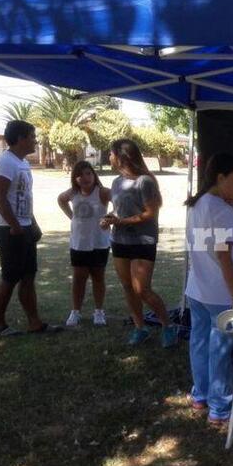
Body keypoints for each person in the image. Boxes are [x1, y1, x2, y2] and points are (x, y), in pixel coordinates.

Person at [184, 152, 233, 425]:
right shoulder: (222, 211)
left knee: (199, 342)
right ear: (220, 177)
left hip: (197, 287)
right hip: (220, 293)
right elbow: (224, 255)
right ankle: (222, 409)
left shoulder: (196, 204)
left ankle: (200, 395)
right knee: (221, 350)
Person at [100, 139, 177, 347]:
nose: (109, 157)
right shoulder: (116, 183)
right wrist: (110, 218)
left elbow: (151, 213)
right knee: (127, 287)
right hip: (120, 240)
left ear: (121, 156)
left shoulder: (145, 181)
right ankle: (140, 328)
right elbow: (119, 210)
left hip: (143, 241)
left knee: (141, 289)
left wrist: (121, 221)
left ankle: (168, 326)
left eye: (111, 153)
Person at [0, 120, 61, 336]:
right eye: (32, 136)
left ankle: (35, 323)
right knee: (10, 277)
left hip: (24, 227)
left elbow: (23, 198)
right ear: (21, 139)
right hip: (8, 229)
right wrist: (15, 226)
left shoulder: (23, 163)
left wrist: (32, 224)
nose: (35, 141)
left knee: (29, 275)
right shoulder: (5, 162)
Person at [58, 161, 111, 327]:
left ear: (94, 175)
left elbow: (122, 202)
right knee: (78, 278)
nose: (85, 178)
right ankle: (75, 312)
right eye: (80, 175)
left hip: (99, 243)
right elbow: (61, 200)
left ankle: (99, 312)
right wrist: (71, 216)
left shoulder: (102, 192)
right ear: (75, 178)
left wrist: (110, 218)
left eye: (88, 173)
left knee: (98, 277)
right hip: (79, 243)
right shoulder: (73, 193)